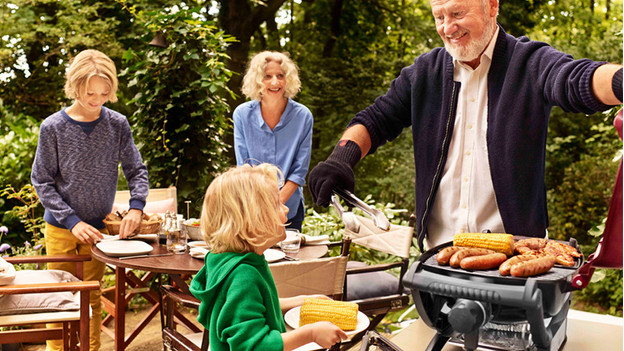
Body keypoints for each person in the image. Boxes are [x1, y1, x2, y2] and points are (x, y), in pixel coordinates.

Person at [308, 0, 623, 252]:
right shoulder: (424, 73)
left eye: (457, 13)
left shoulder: (529, 63)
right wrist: (341, 159)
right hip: (439, 257)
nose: (448, 27)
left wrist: (620, 81)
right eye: (439, 17)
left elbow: (575, 79)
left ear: (492, 6)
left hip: (515, 258)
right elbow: (375, 120)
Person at [31, 49, 149, 350]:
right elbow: (41, 181)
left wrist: (136, 208)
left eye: (104, 93)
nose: (96, 100)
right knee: (59, 300)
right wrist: (72, 221)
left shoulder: (117, 124)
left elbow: (137, 170)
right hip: (60, 228)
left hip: (97, 232)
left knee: (91, 299)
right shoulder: (53, 128)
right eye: (89, 93)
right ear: (74, 87)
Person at [189, 163, 347, 350]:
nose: (286, 209)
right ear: (252, 221)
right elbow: (255, 345)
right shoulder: (243, 275)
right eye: (277, 204)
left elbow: (258, 305)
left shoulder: (232, 261)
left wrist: (302, 301)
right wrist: (311, 333)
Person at [233, 51, 313, 232]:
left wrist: (276, 204)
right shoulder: (242, 115)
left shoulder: (303, 117)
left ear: (288, 79)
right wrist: (262, 206)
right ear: (257, 80)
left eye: (280, 76)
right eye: (267, 76)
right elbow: (243, 167)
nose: (275, 82)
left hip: (289, 210)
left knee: (289, 258)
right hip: (253, 207)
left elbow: (299, 172)